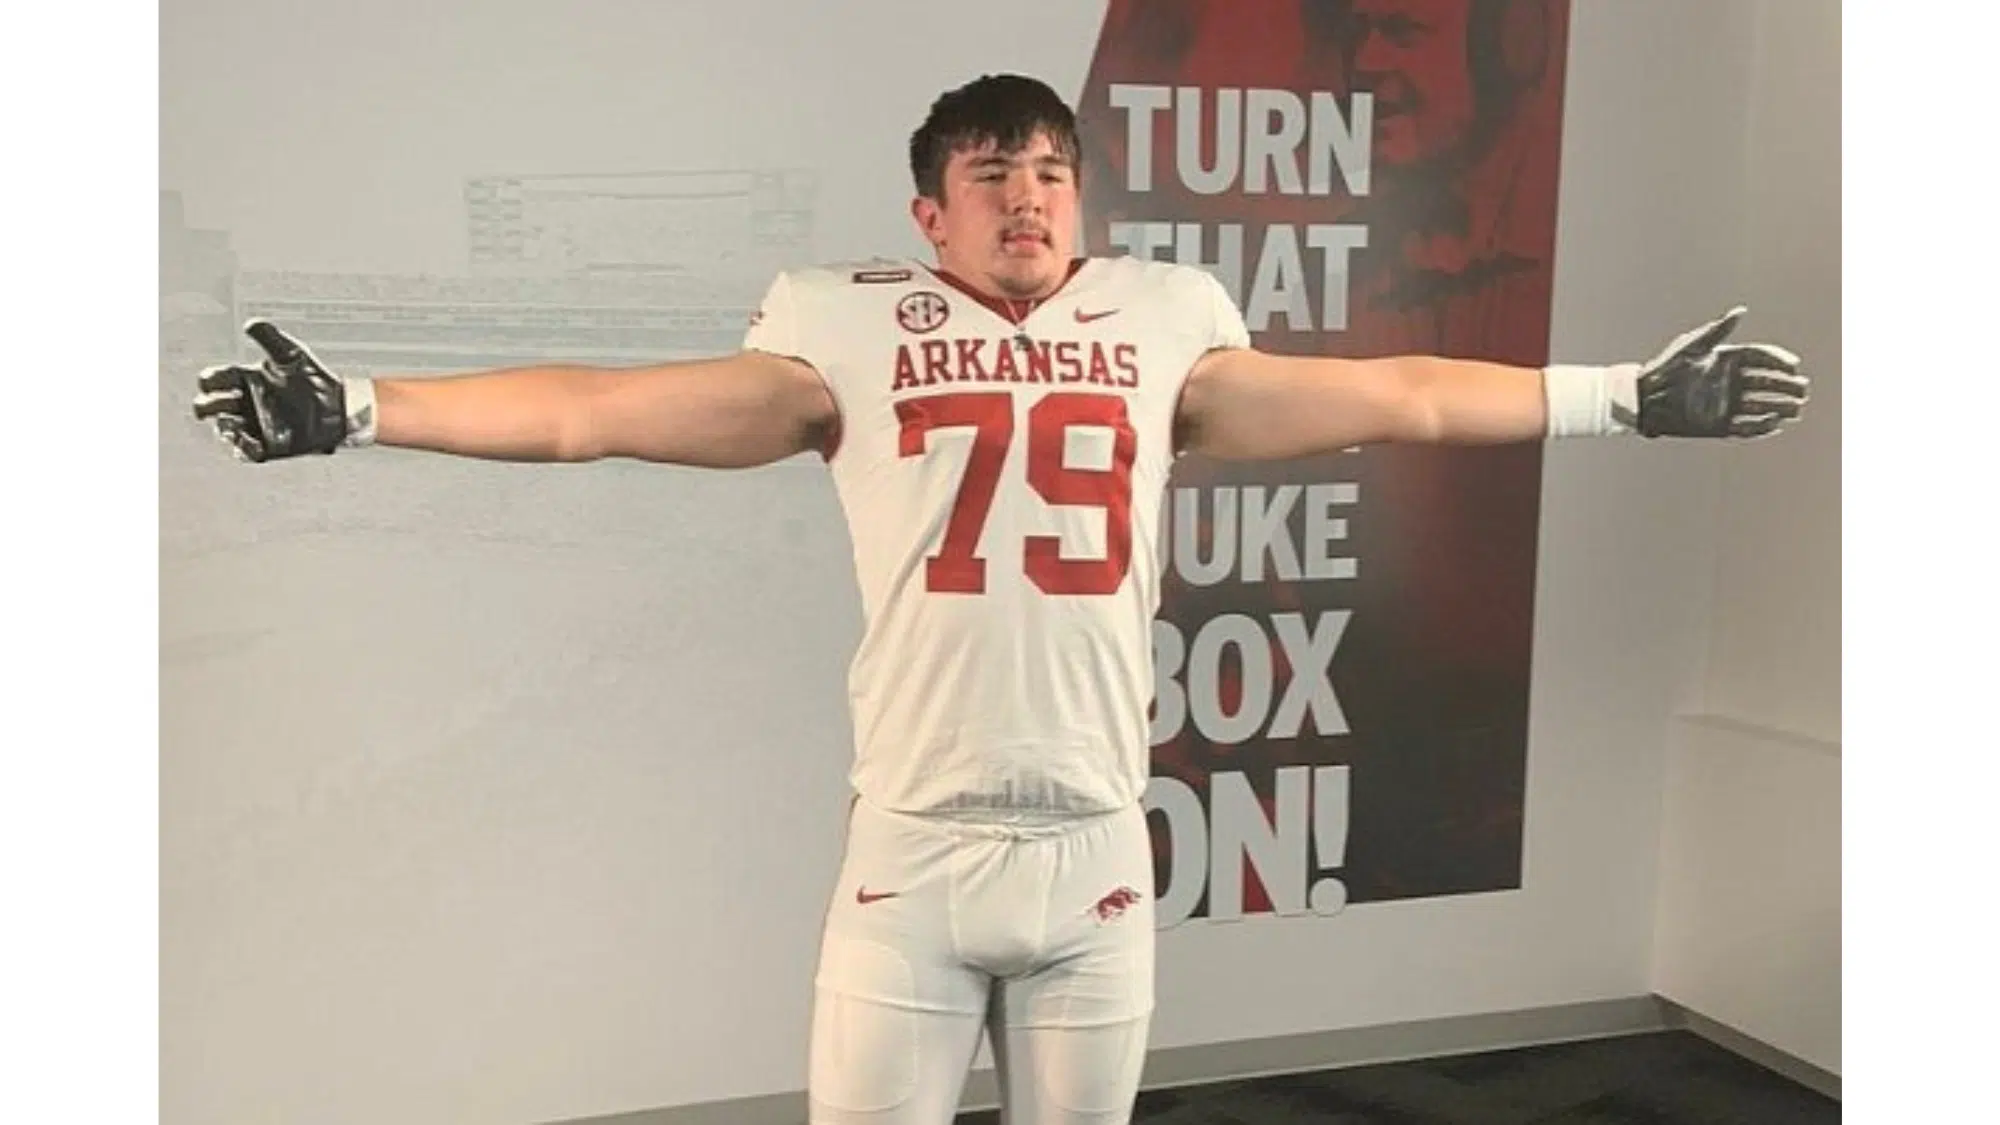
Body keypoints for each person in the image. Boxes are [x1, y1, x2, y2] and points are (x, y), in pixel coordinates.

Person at [190, 73, 1806, 1125]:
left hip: (1100, 850)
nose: (1027, 197)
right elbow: (599, 408)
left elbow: (1391, 390)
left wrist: (1616, 395)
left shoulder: (1167, 321)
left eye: (1050, 171)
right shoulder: (846, 326)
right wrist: (369, 405)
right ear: (929, 210)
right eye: (989, 173)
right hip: (916, 851)